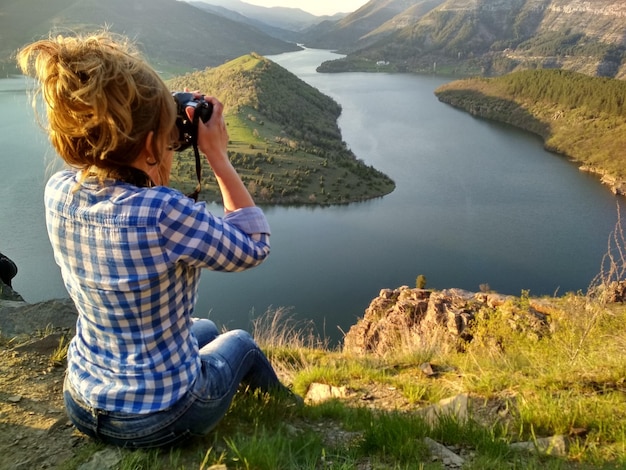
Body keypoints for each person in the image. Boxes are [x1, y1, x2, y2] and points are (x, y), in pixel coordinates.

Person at [17, 31, 296, 449]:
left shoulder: (58, 191)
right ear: (149, 144)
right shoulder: (162, 212)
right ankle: (296, 416)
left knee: (201, 328)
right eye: (165, 138)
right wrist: (217, 155)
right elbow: (254, 244)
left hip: (81, 400)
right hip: (161, 418)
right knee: (240, 343)